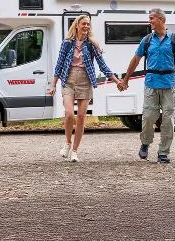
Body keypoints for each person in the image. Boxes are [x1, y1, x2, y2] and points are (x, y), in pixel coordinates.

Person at [119, 8, 175, 164]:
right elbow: (135, 59)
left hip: (169, 84)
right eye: (149, 18)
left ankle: (163, 153)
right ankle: (145, 143)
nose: (149, 21)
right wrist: (125, 79)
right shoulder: (147, 40)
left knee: (168, 120)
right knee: (149, 117)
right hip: (151, 83)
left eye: (152, 18)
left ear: (161, 20)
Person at [47, 15, 120, 162]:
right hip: (68, 79)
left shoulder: (91, 45)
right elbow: (59, 64)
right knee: (68, 114)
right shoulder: (67, 43)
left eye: (88, 24)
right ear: (77, 26)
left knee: (81, 118)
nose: (86, 26)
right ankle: (67, 143)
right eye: (84, 24)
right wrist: (53, 84)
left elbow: (102, 64)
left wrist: (116, 80)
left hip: (85, 81)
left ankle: (74, 151)